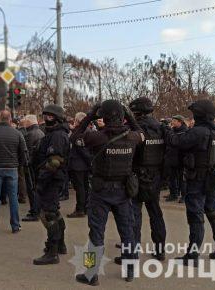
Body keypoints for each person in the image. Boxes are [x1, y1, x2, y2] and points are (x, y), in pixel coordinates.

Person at [74, 100, 143, 285]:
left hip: (100, 191)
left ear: (103, 116)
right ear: (122, 117)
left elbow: (75, 137)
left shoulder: (96, 137)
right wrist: (129, 114)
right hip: (123, 191)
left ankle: (91, 273)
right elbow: (142, 133)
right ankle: (130, 270)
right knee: (128, 232)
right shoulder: (132, 137)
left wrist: (90, 115)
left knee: (95, 233)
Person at [166, 99, 215, 264]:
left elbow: (177, 142)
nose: (193, 117)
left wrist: (168, 130)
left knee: (195, 217)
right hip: (212, 178)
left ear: (200, 115)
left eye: (195, 114)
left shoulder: (200, 131)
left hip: (198, 179)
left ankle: (192, 256)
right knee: (214, 213)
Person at [112, 97, 166, 264]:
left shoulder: (134, 129)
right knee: (155, 213)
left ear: (136, 112)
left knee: (133, 216)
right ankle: (160, 250)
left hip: (136, 175)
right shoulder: (161, 127)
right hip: (155, 176)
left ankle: (131, 255)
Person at [32, 104, 70, 265]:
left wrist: (41, 180)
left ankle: (52, 251)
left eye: (50, 116)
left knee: (48, 215)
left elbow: (54, 161)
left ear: (58, 118)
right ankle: (60, 245)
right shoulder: (54, 133)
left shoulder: (58, 135)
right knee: (54, 212)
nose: (47, 119)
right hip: (51, 179)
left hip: (51, 179)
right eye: (45, 115)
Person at [67, 112, 92, 218]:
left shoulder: (80, 132)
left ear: (77, 121)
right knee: (84, 187)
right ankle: (85, 207)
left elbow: (82, 150)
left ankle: (80, 209)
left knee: (80, 188)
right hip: (84, 164)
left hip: (78, 164)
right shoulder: (88, 131)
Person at [21, 114, 45, 222]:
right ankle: (36, 209)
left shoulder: (30, 134)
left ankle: (34, 211)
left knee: (32, 189)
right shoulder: (40, 132)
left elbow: (28, 152)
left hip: (32, 166)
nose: (24, 124)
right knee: (36, 188)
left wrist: (26, 163)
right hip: (38, 165)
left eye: (25, 121)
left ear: (29, 122)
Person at [165, 115, 188, 203]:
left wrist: (170, 132)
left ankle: (184, 195)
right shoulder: (173, 130)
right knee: (172, 177)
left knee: (182, 179)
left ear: (180, 122)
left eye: (174, 121)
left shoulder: (185, 131)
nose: (172, 122)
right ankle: (173, 194)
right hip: (172, 158)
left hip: (181, 159)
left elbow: (175, 142)